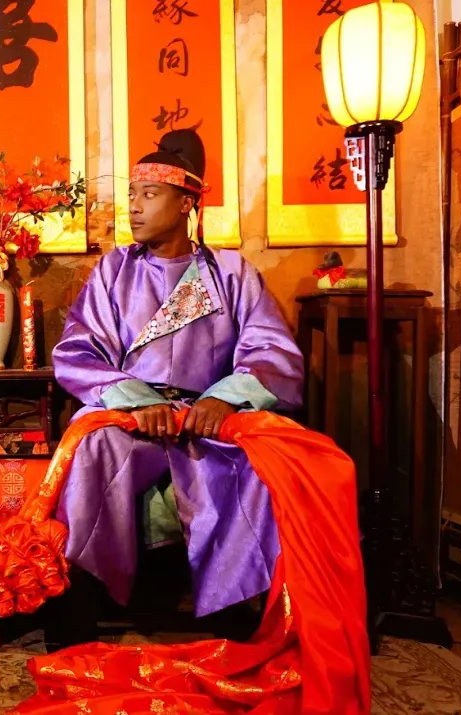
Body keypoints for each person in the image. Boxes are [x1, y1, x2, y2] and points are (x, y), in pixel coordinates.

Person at [48, 129, 305, 644]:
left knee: (259, 460)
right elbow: (78, 351)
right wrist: (135, 400)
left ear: (186, 201)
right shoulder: (113, 271)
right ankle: (79, 607)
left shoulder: (231, 273)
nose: (134, 209)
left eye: (149, 195)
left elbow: (270, 350)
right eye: (131, 196)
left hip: (209, 415)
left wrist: (222, 398)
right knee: (94, 447)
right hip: (128, 413)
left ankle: (233, 611)